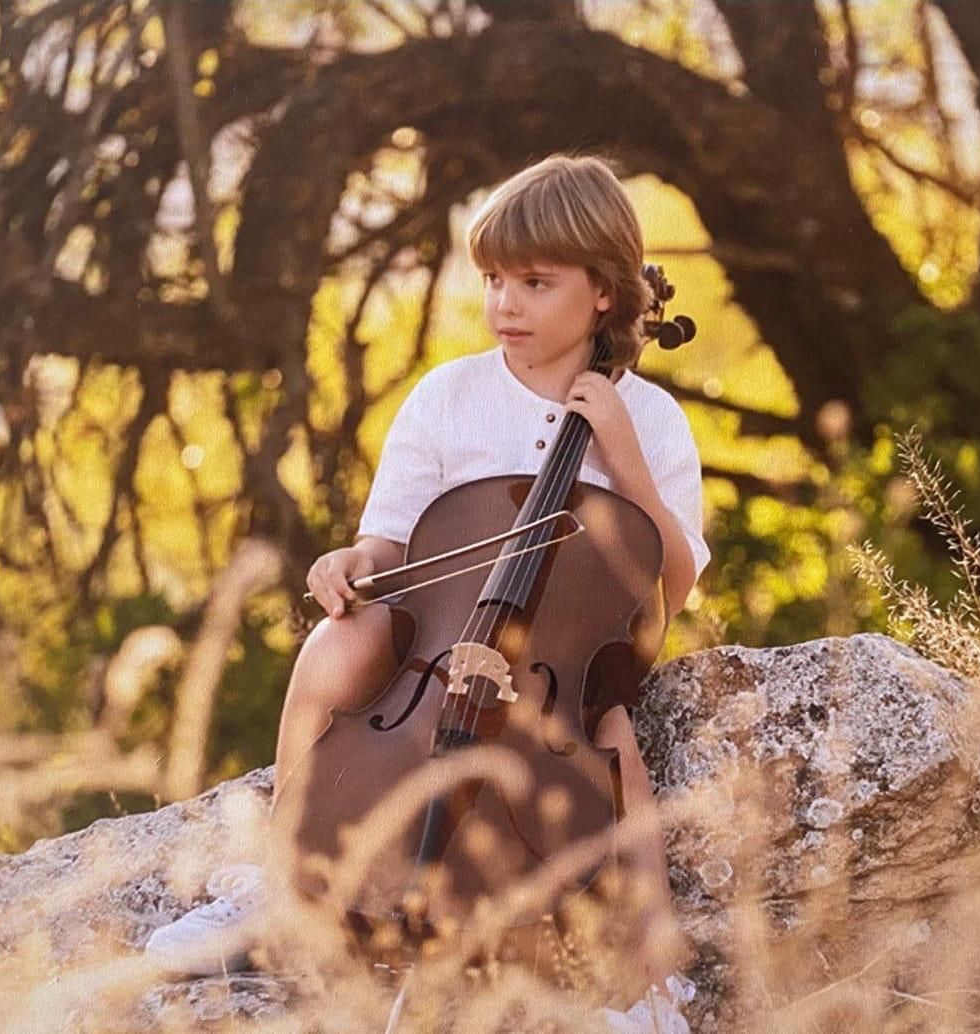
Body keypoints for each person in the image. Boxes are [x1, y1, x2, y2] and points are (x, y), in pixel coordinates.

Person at [144, 153, 709, 1030]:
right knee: (340, 645)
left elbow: (677, 583)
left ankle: (652, 977)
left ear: (604, 292)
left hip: (563, 668)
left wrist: (625, 459)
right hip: (435, 643)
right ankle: (280, 884)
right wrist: (348, 565)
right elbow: (390, 543)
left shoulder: (654, 420)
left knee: (613, 742)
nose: (504, 306)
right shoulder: (449, 396)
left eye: (534, 282)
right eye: (491, 281)